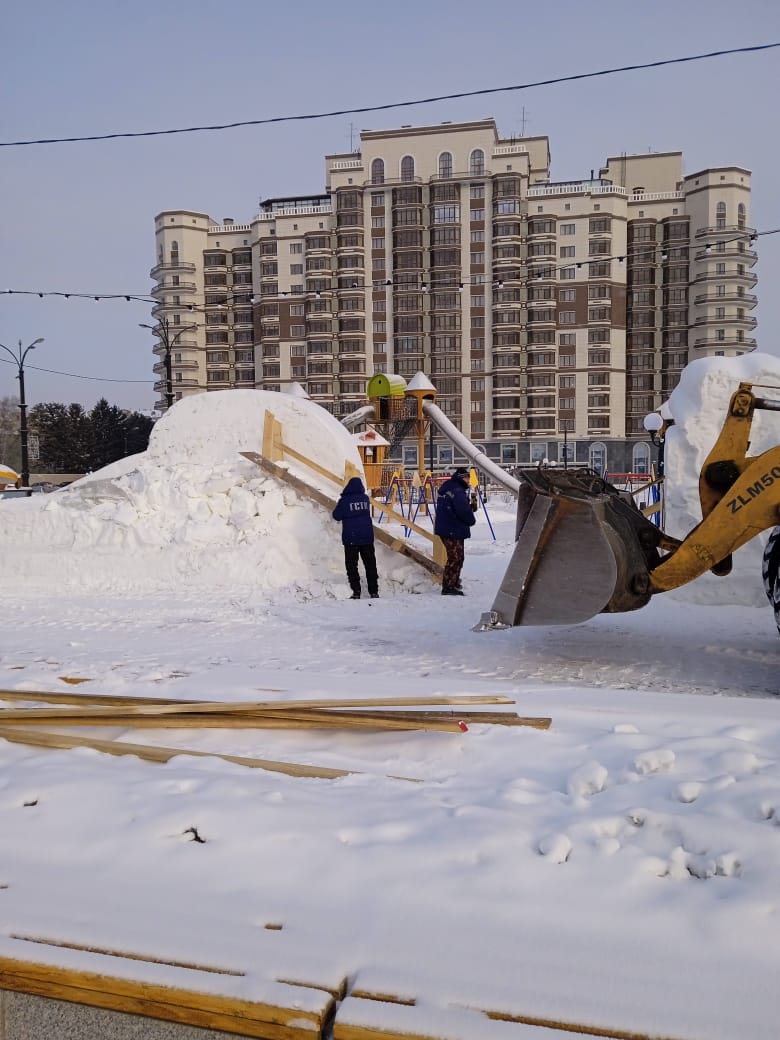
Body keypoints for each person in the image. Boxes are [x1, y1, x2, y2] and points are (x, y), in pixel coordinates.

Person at [332, 476, 379, 600]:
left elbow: (336, 516)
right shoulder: (365, 499)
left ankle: (356, 591)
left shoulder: (345, 500)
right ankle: (374, 591)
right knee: (370, 564)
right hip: (367, 537)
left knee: (352, 565)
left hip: (351, 538)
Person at [434, 467, 477, 596]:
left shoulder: (448, 488)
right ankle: (448, 586)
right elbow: (462, 511)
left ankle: (453, 581)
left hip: (447, 527)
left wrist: (469, 508)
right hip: (453, 528)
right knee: (456, 557)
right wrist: (471, 519)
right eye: (467, 478)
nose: (468, 480)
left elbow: (454, 507)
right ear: (461, 478)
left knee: (457, 557)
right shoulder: (458, 491)